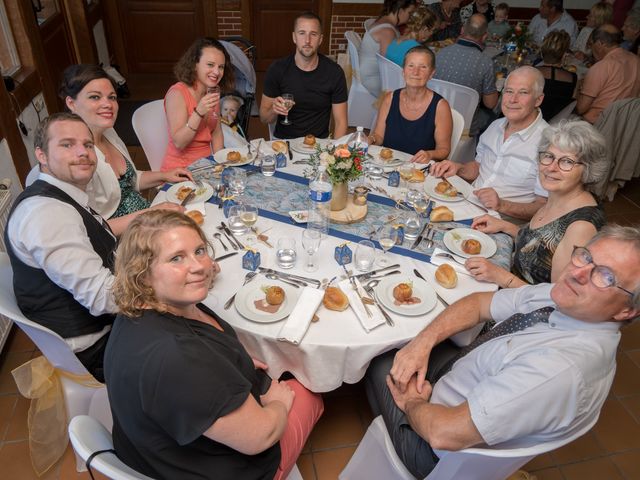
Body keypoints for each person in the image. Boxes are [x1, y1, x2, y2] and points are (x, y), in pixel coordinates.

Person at [365, 224, 640, 478]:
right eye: (586, 257)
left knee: (378, 359)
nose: (578, 273)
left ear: (628, 310)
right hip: (459, 378)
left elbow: (443, 434)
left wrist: (413, 403)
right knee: (410, 344)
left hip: (438, 453)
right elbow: (480, 303)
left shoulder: (558, 371)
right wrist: (422, 344)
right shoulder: (567, 299)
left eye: (605, 276)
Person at [104, 210, 324, 480]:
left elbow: (199, 360)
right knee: (309, 387)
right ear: (143, 274)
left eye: (199, 251)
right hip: (216, 469)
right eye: (176, 258)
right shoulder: (175, 356)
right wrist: (278, 404)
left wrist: (232, 359)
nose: (199, 266)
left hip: (158, 450)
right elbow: (259, 436)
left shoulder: (148, 307)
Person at [5, 113, 118, 382]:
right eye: (67, 144)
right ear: (41, 155)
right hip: (96, 349)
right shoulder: (47, 214)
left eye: (88, 145)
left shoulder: (59, 193)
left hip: (100, 329)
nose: (83, 152)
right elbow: (104, 297)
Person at [467, 120, 607, 288]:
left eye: (567, 162)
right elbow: (539, 245)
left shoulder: (581, 227)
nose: (551, 168)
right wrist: (505, 226)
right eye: (548, 156)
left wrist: (501, 277)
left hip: (525, 307)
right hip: (511, 284)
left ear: (588, 169)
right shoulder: (558, 198)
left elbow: (556, 298)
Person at [59, 64, 188, 236]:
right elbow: (92, 231)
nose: (107, 104)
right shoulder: (75, 159)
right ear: (71, 103)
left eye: (112, 97)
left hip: (148, 221)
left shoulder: (108, 132)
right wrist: (152, 214)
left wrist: (165, 175)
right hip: (124, 241)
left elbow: (129, 180)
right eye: (95, 97)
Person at [432, 67, 549, 221]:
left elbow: (545, 207)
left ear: (538, 100)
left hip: (503, 221)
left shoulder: (548, 144)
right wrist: (458, 168)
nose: (513, 99)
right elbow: (479, 167)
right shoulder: (496, 126)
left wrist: (501, 205)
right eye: (508, 91)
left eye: (523, 92)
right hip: (469, 204)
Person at [260, 12, 348, 139]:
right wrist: (274, 109)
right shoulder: (277, 69)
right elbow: (264, 118)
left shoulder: (334, 72)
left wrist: (334, 153)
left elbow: (341, 122)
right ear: (294, 37)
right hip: (285, 143)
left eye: (313, 34)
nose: (307, 40)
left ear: (321, 39)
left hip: (319, 145)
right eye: (302, 33)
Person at [162, 37, 234, 171]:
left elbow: (216, 132)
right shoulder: (177, 93)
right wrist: (199, 112)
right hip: (180, 171)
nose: (217, 72)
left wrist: (220, 164)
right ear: (195, 64)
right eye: (210, 65)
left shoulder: (211, 91)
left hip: (206, 168)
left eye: (221, 67)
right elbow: (179, 143)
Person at [370, 46, 453, 162]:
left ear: (431, 73)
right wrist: (370, 139)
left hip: (419, 171)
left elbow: (444, 149)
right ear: (403, 71)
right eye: (411, 66)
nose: (416, 72)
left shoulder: (440, 106)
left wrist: (429, 154)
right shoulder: (390, 99)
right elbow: (379, 136)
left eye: (423, 67)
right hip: (387, 165)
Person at [433, 14, 500, 136]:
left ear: (462, 30)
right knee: (496, 115)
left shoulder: (440, 53)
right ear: (484, 36)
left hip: (435, 119)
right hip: (465, 126)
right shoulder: (485, 62)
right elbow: (490, 104)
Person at [576, 24, 640, 124]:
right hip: (627, 123)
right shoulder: (636, 60)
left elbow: (581, 109)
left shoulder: (601, 67)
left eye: (591, 44)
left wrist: (579, 88)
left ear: (600, 43)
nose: (591, 49)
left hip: (597, 124)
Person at [359, 0, 417, 97]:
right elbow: (389, 64)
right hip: (373, 80)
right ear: (400, 10)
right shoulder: (387, 31)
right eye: (409, 13)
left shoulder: (384, 22)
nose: (410, 17)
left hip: (370, 74)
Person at [535, 30, 578, 120]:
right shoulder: (572, 78)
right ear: (564, 55)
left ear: (542, 53)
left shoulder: (531, 73)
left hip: (531, 121)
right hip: (555, 125)